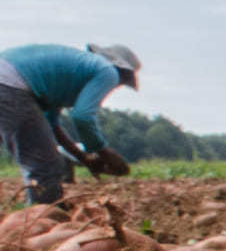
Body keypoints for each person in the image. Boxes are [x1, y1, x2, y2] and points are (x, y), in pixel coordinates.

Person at [0, 42, 138, 205]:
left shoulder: (70, 73)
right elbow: (83, 117)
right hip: (10, 84)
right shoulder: (107, 72)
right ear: (122, 72)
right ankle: (43, 220)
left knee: (43, 153)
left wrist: (84, 158)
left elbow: (52, 125)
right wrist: (103, 151)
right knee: (45, 164)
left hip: (8, 80)